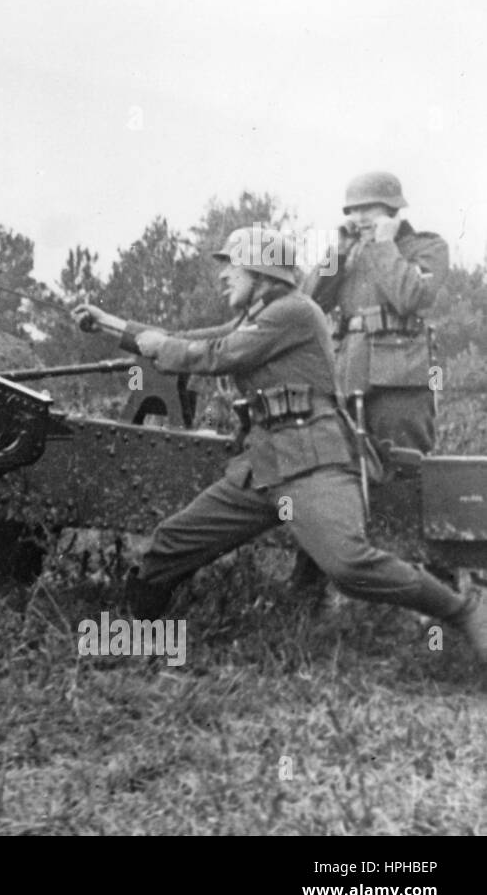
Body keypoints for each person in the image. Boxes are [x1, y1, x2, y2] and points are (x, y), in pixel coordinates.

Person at [72, 227, 486, 664]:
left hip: (313, 464)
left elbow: (216, 354)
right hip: (263, 466)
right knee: (170, 545)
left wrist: (160, 345)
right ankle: (137, 640)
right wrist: (109, 324)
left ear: (262, 272)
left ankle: (464, 611)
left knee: (347, 565)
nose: (223, 276)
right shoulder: (257, 317)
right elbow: (188, 336)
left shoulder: (294, 312)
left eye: (233, 266)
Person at [304, 171, 447, 454]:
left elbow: (411, 297)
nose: (359, 217)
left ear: (393, 209)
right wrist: (338, 253)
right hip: (346, 375)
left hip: (401, 380)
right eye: (353, 210)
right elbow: (307, 306)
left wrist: (384, 245)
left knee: (402, 465)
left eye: (367, 208)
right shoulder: (349, 252)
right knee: (344, 467)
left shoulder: (427, 247)